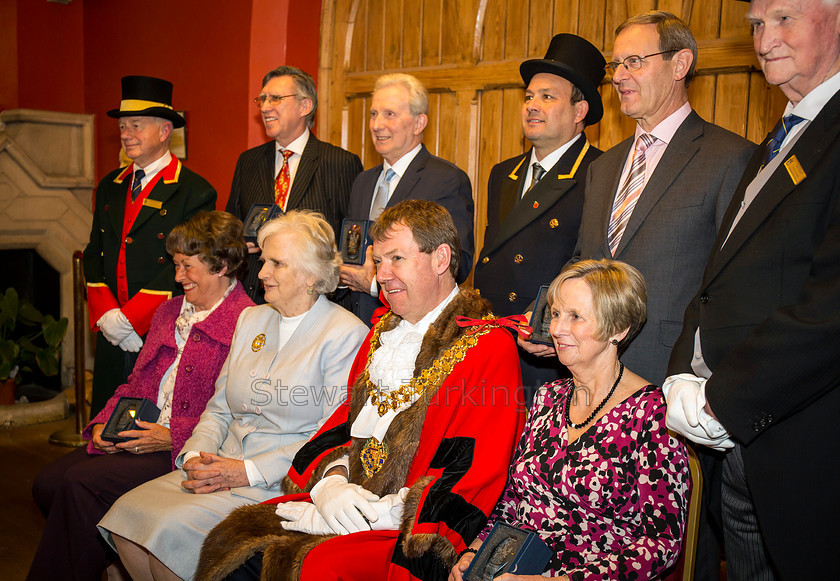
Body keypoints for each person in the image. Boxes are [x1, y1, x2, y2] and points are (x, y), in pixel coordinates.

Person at [196, 200, 525, 581]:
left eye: (396, 259)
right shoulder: (382, 333)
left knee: (315, 568)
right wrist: (332, 484)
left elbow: (472, 468)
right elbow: (344, 423)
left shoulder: (486, 343)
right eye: (378, 260)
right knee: (231, 542)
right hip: (347, 503)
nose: (382, 274)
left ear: (440, 259)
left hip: (408, 527)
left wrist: (381, 514)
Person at [569, 16, 755, 576]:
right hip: (592, 390)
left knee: (680, 553)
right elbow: (583, 264)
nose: (620, 76)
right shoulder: (603, 168)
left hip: (673, 393)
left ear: (680, 64)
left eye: (634, 61)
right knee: (592, 545)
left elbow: (730, 287)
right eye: (615, 65)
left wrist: (698, 378)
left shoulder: (730, 158)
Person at [664, 0, 840, 578]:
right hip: (740, 450)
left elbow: (831, 307)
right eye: (757, 25)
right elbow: (722, 274)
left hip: (802, 446)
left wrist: (723, 399)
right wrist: (682, 372)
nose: (765, 41)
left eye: (784, 19)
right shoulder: (784, 134)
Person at [97, 210, 369, 580]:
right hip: (216, 465)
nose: (261, 273)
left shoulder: (346, 334)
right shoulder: (252, 319)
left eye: (276, 263)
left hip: (278, 482)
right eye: (263, 261)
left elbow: (327, 438)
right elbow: (219, 407)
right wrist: (193, 454)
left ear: (311, 276)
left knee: (163, 536)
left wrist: (246, 471)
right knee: (127, 520)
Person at [28, 211, 252, 581]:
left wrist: (171, 435)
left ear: (221, 266)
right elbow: (136, 384)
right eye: (176, 265)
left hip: (183, 447)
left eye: (187, 266)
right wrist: (104, 423)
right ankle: (112, 556)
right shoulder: (168, 312)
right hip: (137, 430)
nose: (177, 276)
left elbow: (237, 411)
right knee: (47, 483)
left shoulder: (248, 320)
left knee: (80, 486)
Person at [452, 259, 690, 581]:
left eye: (575, 317)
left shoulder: (653, 416)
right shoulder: (547, 397)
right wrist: (477, 552)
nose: (555, 329)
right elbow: (512, 501)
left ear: (618, 329)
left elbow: (661, 544)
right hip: (516, 570)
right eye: (555, 314)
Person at [474, 33, 605, 403]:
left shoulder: (601, 171)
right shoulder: (504, 173)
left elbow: (594, 265)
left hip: (552, 352)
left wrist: (550, 325)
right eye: (529, 96)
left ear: (580, 112)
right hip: (495, 346)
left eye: (548, 97)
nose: (532, 105)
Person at [83, 75, 217, 417]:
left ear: (163, 131)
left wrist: (133, 318)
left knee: (148, 426)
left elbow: (193, 265)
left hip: (162, 327)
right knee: (105, 422)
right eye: (124, 125)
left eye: (136, 125)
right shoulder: (110, 186)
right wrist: (108, 315)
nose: (126, 133)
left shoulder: (194, 191)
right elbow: (93, 252)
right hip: (113, 330)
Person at [340, 74, 475, 325]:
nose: (377, 124)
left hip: (413, 328)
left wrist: (373, 284)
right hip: (356, 325)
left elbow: (459, 265)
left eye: (389, 114)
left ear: (418, 123)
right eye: (373, 114)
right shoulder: (362, 182)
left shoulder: (446, 180)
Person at [226, 66, 363, 303]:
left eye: (276, 98)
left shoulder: (339, 163)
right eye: (263, 99)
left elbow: (350, 240)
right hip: (255, 297)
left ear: (305, 106)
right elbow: (231, 227)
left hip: (315, 301)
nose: (265, 107)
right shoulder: (248, 161)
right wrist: (237, 245)